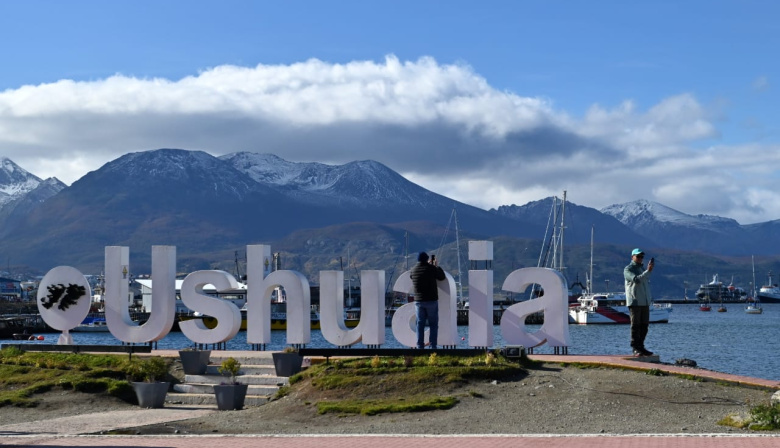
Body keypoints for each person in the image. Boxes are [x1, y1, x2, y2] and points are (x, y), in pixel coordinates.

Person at [410, 251, 445, 349]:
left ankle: (419, 345)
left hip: (419, 301)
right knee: (433, 324)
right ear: (427, 259)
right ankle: (432, 346)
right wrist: (436, 266)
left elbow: (411, 277)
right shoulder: (431, 269)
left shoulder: (413, 270)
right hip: (431, 300)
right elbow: (442, 277)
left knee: (420, 324)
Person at [624, 248, 654, 356]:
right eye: (638, 256)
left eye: (642, 256)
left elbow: (644, 281)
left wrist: (647, 271)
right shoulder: (628, 269)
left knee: (644, 326)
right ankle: (635, 348)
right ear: (632, 257)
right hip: (635, 302)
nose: (640, 258)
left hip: (645, 302)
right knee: (635, 326)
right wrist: (648, 271)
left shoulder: (642, 270)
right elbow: (636, 280)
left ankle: (641, 347)